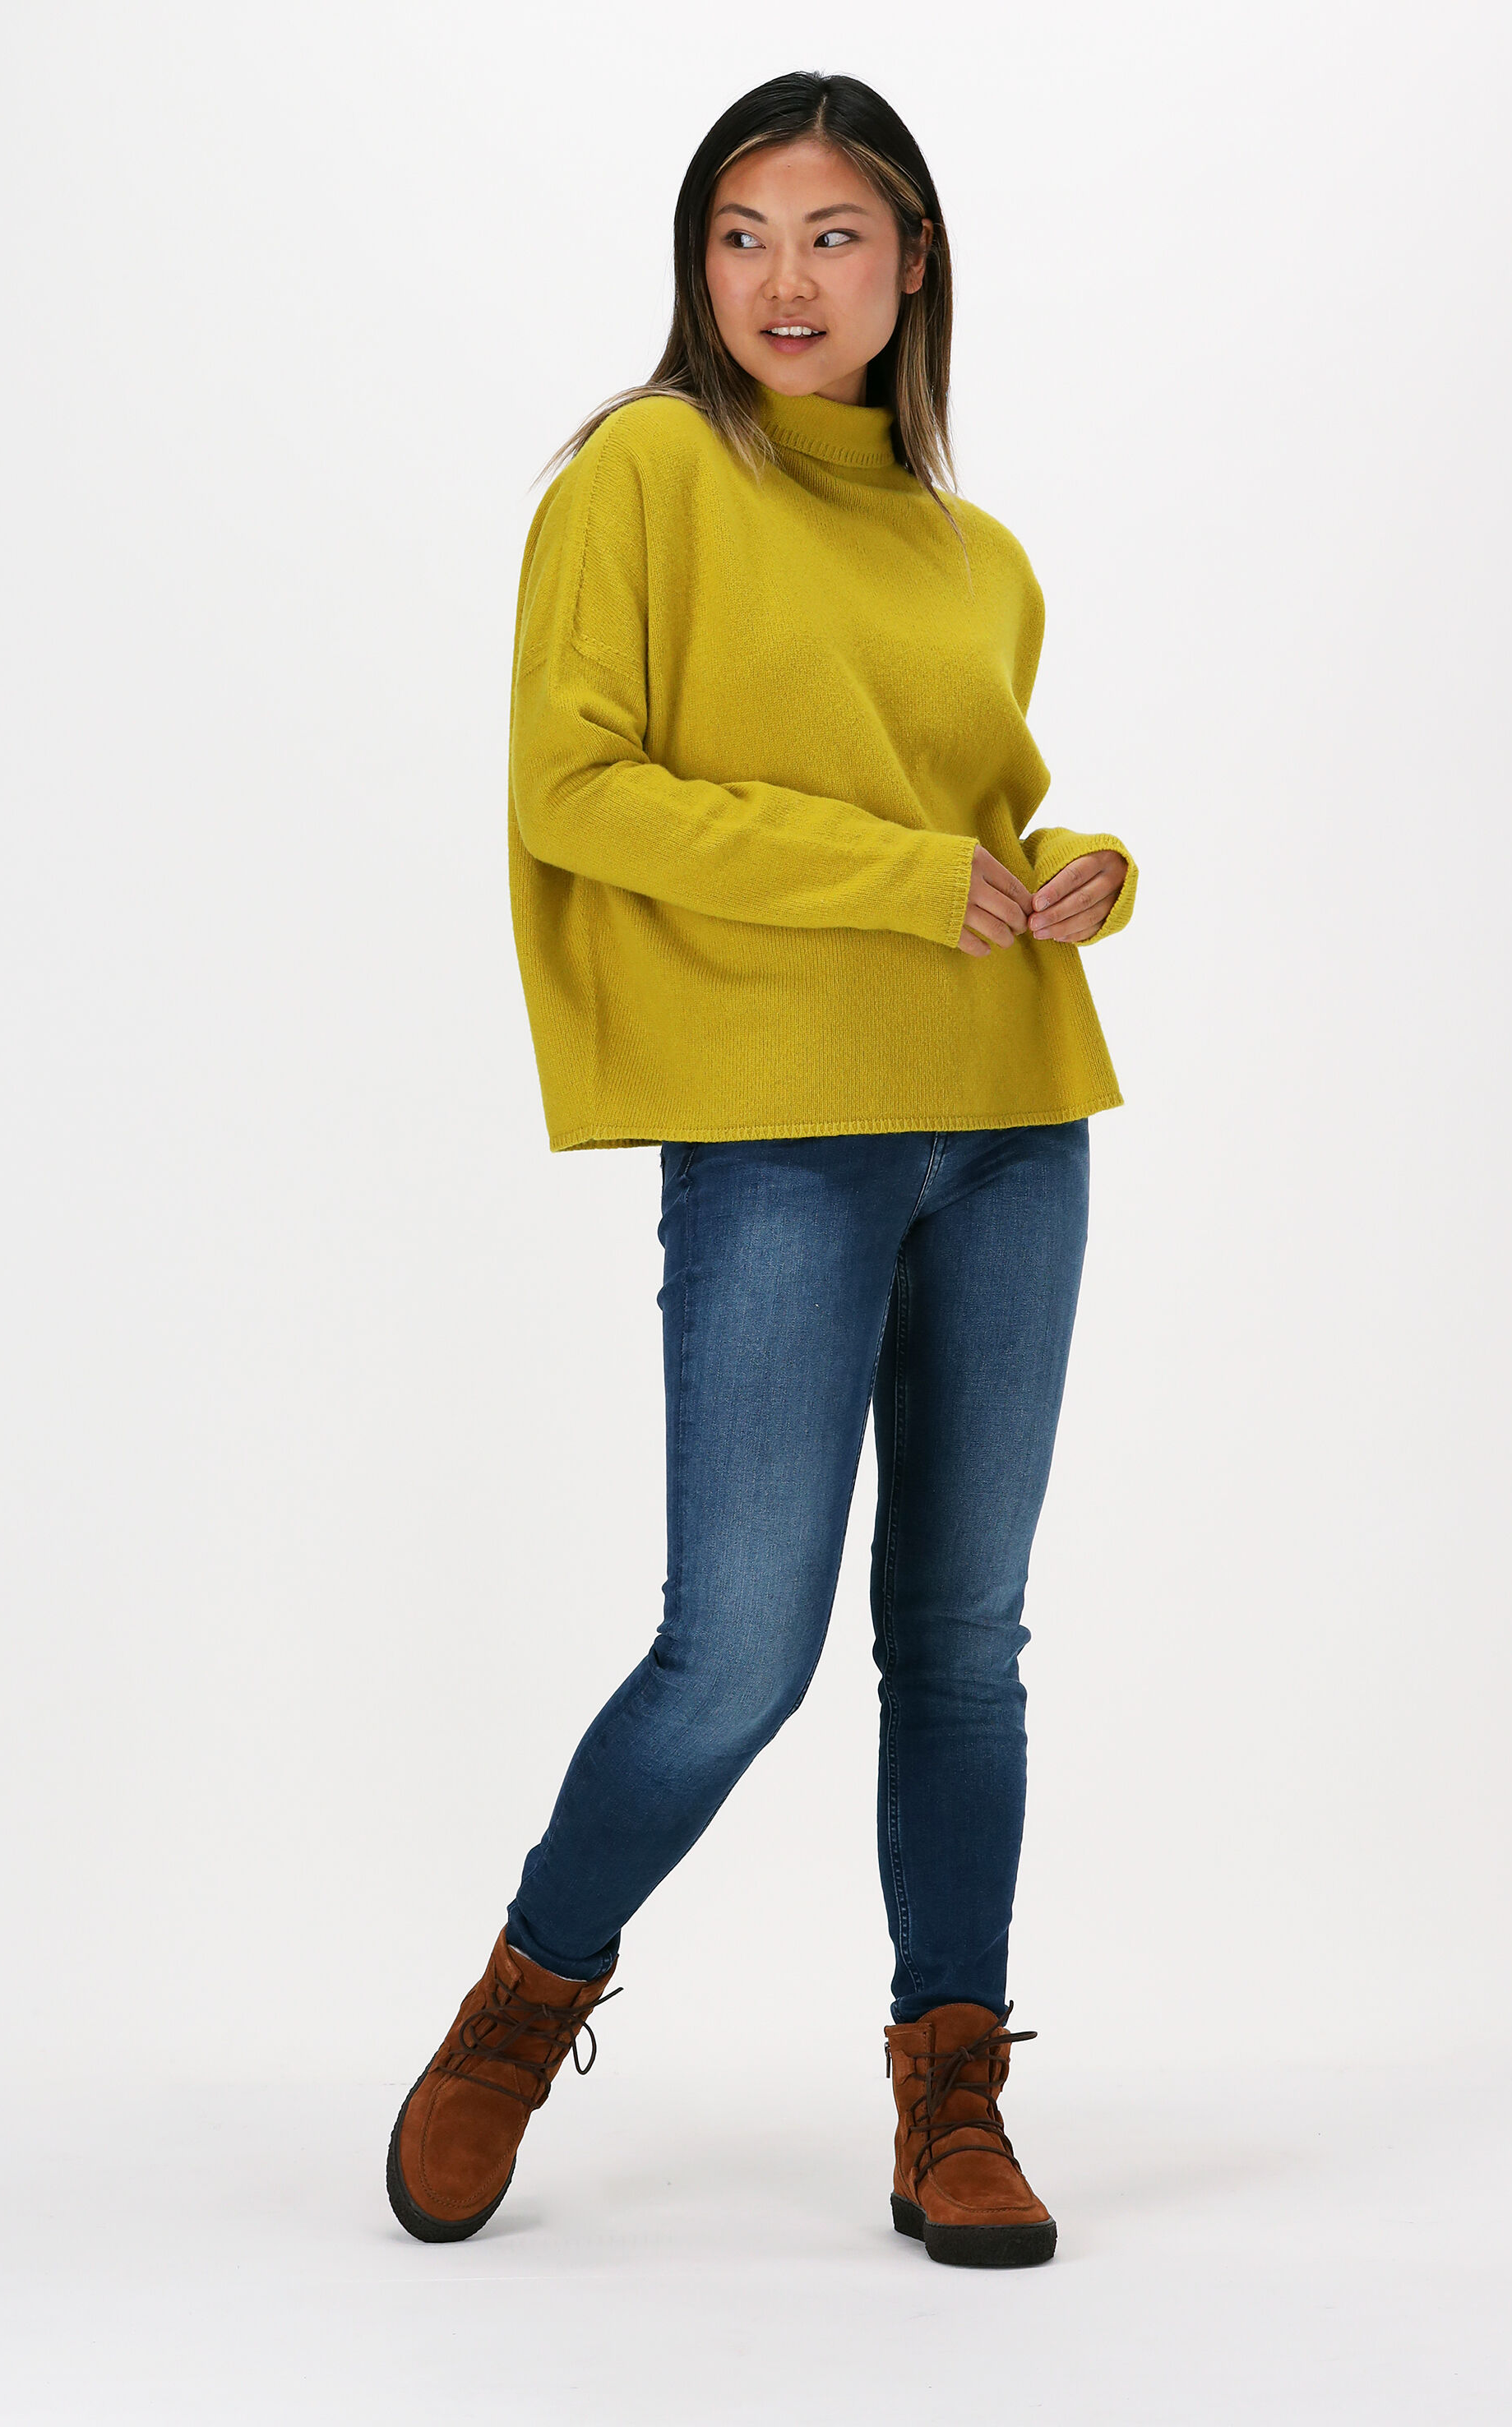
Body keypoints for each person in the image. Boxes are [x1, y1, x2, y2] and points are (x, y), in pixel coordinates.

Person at [387, 69, 1136, 2270]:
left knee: (965, 1643)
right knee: (735, 1648)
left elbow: (973, 816)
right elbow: (577, 790)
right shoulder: (642, 472)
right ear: (693, 265)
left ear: (912, 263)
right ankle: (525, 2002)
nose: (780, 280)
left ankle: (951, 2094)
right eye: (739, 233)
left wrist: (1077, 866)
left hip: (1011, 1114)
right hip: (782, 1131)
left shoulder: (978, 557)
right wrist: (906, 882)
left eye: (829, 235)